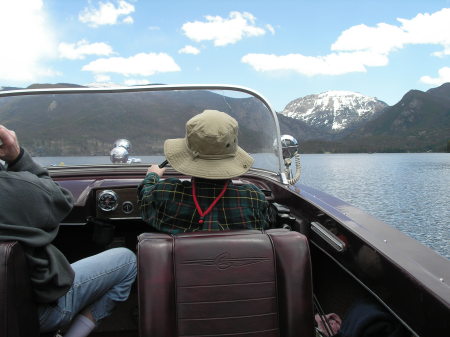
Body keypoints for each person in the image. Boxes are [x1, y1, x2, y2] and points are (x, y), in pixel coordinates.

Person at [0, 125, 137, 337]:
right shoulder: (14, 189)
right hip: (34, 312)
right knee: (127, 260)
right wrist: (17, 157)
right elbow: (61, 202)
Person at [138, 109, 272, 233]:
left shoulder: (166, 192)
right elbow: (267, 223)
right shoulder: (252, 197)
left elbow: (145, 200)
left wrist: (152, 175)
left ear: (187, 151)